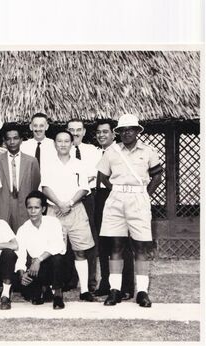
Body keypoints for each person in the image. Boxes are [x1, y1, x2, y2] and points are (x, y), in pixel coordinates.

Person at [97, 114, 163, 307]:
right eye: (122, 130)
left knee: (141, 247)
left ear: (137, 131)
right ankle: (114, 290)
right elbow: (102, 176)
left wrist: (144, 195)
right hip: (116, 200)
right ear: (118, 133)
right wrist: (118, 191)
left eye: (130, 129)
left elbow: (157, 176)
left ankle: (142, 292)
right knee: (116, 246)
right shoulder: (111, 151)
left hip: (139, 200)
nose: (126, 133)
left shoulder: (149, 151)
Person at [42, 130, 95, 302]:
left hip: (76, 210)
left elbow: (84, 188)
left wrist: (69, 204)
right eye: (60, 141)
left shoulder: (79, 164)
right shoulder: (48, 163)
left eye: (67, 141)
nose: (63, 144)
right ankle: (53, 289)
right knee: (53, 251)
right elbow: (45, 187)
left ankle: (85, 290)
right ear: (54, 144)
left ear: (72, 143)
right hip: (54, 211)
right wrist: (59, 204)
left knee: (80, 251)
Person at [94, 119, 134, 299]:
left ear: (113, 134)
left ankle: (125, 286)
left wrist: (115, 191)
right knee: (103, 243)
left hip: (116, 197)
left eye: (105, 132)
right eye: (98, 132)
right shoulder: (93, 152)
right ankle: (105, 283)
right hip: (99, 198)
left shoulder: (120, 152)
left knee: (120, 243)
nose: (101, 135)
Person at [66, 118, 102, 292]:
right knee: (67, 236)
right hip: (67, 197)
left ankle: (91, 281)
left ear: (84, 132)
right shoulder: (63, 149)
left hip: (88, 197)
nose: (75, 133)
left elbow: (93, 175)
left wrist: (80, 180)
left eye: (78, 129)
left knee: (89, 237)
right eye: (71, 130)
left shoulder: (93, 151)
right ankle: (70, 280)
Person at [15, 191, 66, 309]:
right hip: (35, 269)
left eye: (36, 208)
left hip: (54, 266)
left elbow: (59, 246)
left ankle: (58, 294)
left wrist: (38, 260)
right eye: (30, 208)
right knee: (29, 294)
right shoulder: (23, 229)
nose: (33, 211)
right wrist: (22, 275)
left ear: (43, 209)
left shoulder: (53, 222)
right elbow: (20, 255)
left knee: (57, 258)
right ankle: (43, 288)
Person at [0, 123, 41, 233]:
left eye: (15, 138)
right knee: (2, 238)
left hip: (24, 206)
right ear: (4, 141)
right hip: (2, 206)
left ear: (21, 140)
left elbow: (35, 186)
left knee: (24, 238)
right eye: (8, 139)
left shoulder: (31, 161)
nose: (12, 142)